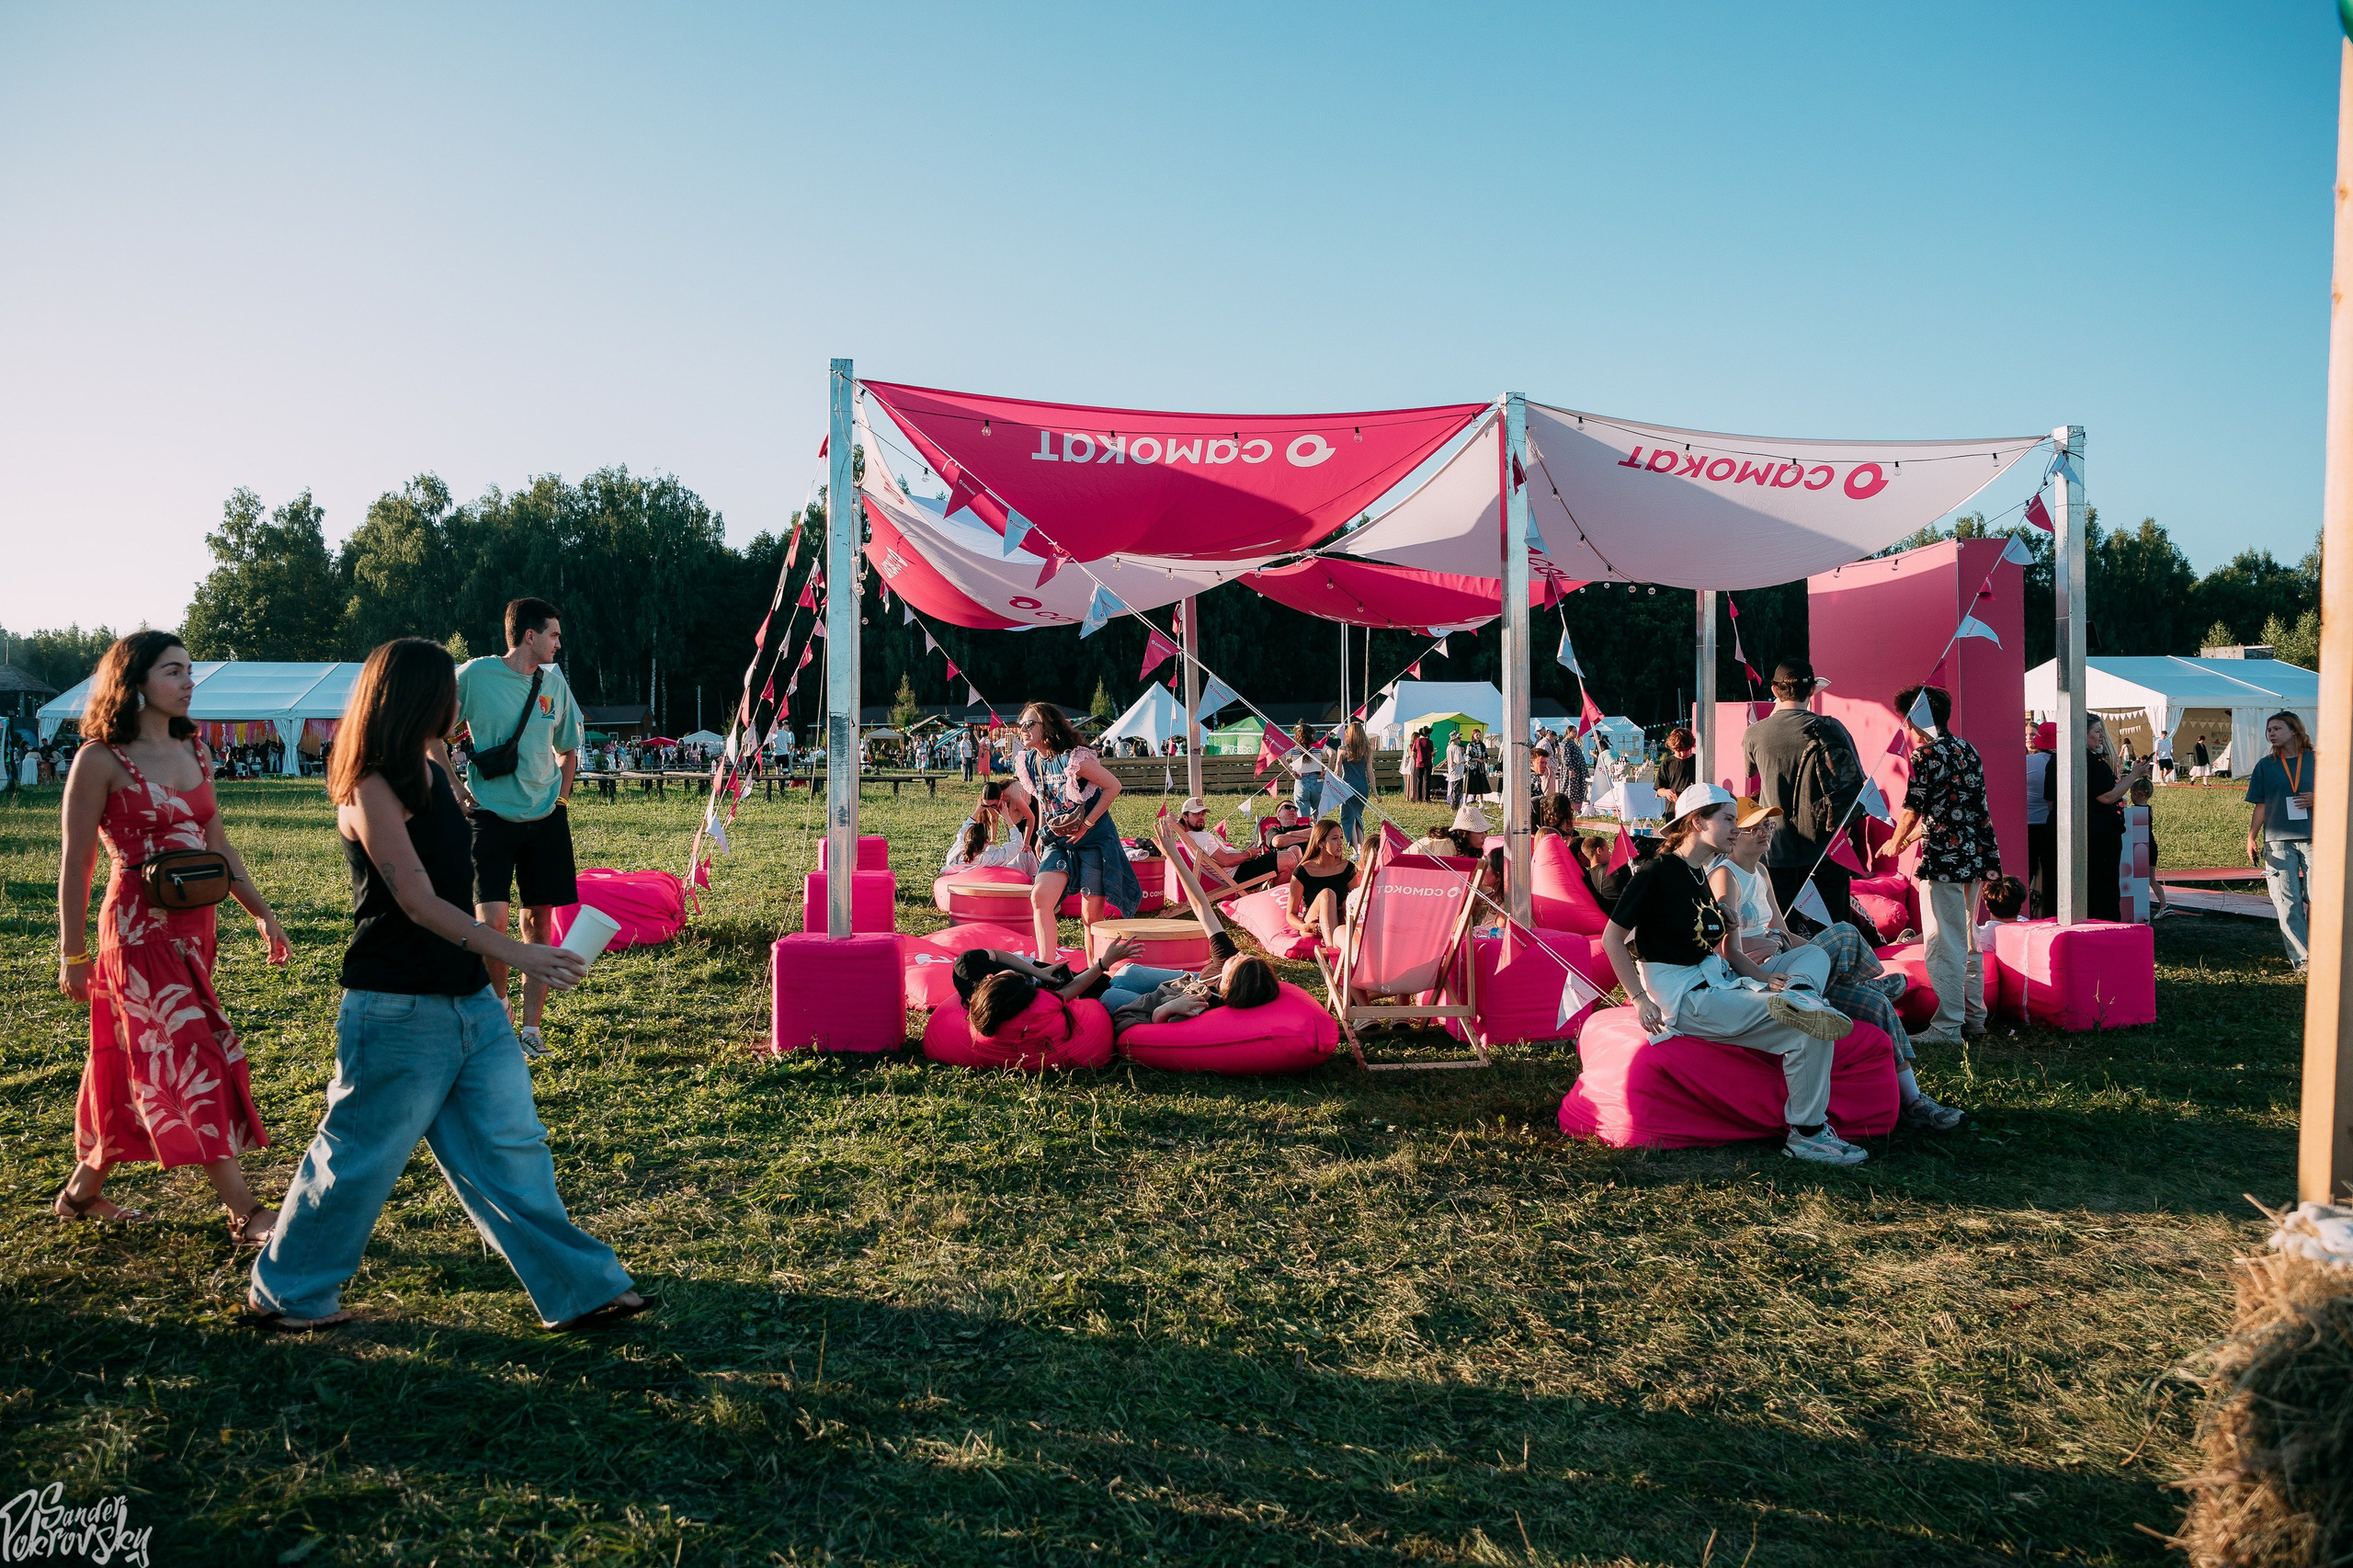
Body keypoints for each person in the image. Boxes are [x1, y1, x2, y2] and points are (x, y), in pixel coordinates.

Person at [250, 638, 641, 1334]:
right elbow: (419, 902)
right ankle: (288, 1296)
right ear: (413, 696)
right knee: (358, 1159)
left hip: (469, 1002)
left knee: (513, 1151)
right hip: (396, 1006)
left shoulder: (437, 773)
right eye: (448, 690)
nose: (460, 702)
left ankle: (582, 1288)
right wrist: (522, 955)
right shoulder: (369, 783)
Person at [53, 631, 293, 1239]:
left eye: (190, 670)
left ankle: (82, 1192)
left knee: (138, 1057)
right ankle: (245, 1210)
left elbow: (215, 844)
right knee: (190, 1053)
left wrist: (260, 911)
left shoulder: (198, 751)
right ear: (135, 683)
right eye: (173, 671)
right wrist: (72, 953)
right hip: (135, 928)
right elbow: (76, 862)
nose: (189, 682)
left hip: (195, 923)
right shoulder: (100, 759)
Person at [1598, 783, 1865, 1165]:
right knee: (1810, 1027)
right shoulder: (1657, 872)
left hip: (1719, 982)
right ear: (1696, 823)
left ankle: (1802, 995)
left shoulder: (1697, 874)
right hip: (1687, 999)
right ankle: (1808, 1136)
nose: (1736, 829)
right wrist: (1640, 999)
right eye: (1727, 820)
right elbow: (1613, 939)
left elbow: (1715, 946)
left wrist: (1728, 928)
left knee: (1814, 962)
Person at [1710, 794, 1963, 1131]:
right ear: (1732, 835)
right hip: (1758, 976)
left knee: (1875, 1005)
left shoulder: (1760, 872)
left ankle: (1914, 1101)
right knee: (1843, 933)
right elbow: (1723, 947)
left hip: (1789, 967)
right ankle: (1871, 980)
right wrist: (1777, 943)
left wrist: (1808, 951)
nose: (1764, 833)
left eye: (1768, 825)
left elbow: (1786, 933)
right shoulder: (1724, 875)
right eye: (1753, 828)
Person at [449, 597, 583, 1061]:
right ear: (530, 635)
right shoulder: (474, 676)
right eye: (553, 634)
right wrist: (456, 789)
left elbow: (569, 750)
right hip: (488, 817)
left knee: (537, 922)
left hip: (545, 819)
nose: (558, 644)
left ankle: (530, 1031)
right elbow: (430, 731)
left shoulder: (554, 684)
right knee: (493, 923)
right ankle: (498, 1017)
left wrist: (562, 799)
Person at [1882, 686, 2001, 1046]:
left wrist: (1895, 839)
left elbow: (1912, 807)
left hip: (1943, 863)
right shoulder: (1968, 750)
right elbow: (1965, 809)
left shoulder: (1925, 756)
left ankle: (1947, 1026)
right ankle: (1974, 1018)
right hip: (1974, 856)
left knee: (1942, 942)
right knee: (1968, 940)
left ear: (1914, 720)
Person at [1098, 819, 1285, 1032]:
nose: (1240, 954)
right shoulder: (1228, 958)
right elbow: (1201, 906)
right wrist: (1172, 855)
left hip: (1180, 997)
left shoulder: (1201, 1007)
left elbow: (1161, 1026)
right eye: (1248, 956)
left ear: (1227, 984)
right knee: (1127, 973)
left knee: (1110, 995)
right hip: (1195, 980)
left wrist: (1168, 1007)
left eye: (1240, 961)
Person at [1743, 658, 1871, 936]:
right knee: (1836, 930)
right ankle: (1836, 978)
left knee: (1780, 933)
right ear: (1813, 690)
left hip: (1775, 847)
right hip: (1827, 848)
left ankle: (1789, 980)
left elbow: (1750, 769)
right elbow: (1856, 782)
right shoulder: (1832, 728)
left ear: (1775, 691)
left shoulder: (1755, 733)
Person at [1010, 702, 1139, 960]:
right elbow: (1044, 798)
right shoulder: (1031, 761)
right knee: (1040, 898)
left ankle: (1095, 972)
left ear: (1047, 727)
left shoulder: (1074, 759)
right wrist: (1041, 832)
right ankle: (1046, 966)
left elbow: (1114, 786)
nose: (1022, 729)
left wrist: (1088, 824)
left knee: (1090, 916)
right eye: (1020, 724)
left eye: (1029, 724)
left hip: (1093, 839)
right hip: (1058, 840)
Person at [2245, 710, 2316, 970]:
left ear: (2294, 731)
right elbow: (2260, 804)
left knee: (2319, 899)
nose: (2271, 734)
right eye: (2269, 730)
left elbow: (2341, 794)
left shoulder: (2316, 760)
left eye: (2277, 729)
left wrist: (2318, 798)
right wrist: (2252, 837)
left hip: (2315, 838)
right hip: (2277, 841)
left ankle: (2326, 955)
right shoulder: (2265, 765)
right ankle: (2304, 961)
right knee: (2287, 902)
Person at [2079, 716, 2145, 924]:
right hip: (2100, 835)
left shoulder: (2086, 760)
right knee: (2104, 885)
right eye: (2097, 732)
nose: (2101, 737)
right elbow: (2107, 796)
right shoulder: (2091, 762)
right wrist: (2133, 775)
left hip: (2096, 832)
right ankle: (2106, 924)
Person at [1171, 796, 1290, 893]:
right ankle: (1275, 900)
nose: (1201, 817)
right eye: (1196, 814)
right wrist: (1248, 854)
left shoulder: (1193, 835)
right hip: (1239, 874)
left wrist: (1243, 854)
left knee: (1292, 855)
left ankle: (1274, 898)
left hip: (1240, 868)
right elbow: (1226, 861)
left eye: (1203, 814)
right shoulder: (1202, 839)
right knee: (1288, 860)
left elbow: (1171, 819)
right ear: (1185, 817)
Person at [1287, 820, 1361, 946]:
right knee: (1327, 894)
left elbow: (1356, 901)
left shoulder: (1347, 868)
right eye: (1334, 838)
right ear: (1321, 843)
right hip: (1315, 922)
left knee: (1349, 900)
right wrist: (1304, 926)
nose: (1340, 842)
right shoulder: (1303, 871)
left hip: (1340, 921)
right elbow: (1290, 914)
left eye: (1341, 837)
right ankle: (1332, 950)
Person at [942, 781, 1037, 874]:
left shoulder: (956, 851)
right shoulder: (988, 859)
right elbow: (1017, 844)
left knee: (1026, 849)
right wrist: (1007, 817)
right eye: (987, 806)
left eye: (993, 806)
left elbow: (962, 831)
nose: (991, 808)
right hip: (1011, 818)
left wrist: (977, 811)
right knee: (1025, 854)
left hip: (1028, 814)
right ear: (986, 842)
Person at [2025, 722, 2057, 918]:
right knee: (2051, 875)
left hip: (2028, 825)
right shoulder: (2064, 763)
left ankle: (2024, 913)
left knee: (2027, 873)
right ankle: (2049, 914)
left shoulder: (2028, 762)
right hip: (2050, 824)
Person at [1329, 719, 1374, 846]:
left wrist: (1333, 786)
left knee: (1349, 820)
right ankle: (1361, 848)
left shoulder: (1342, 749)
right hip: (1362, 787)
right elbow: (1370, 772)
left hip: (1347, 786)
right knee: (1358, 818)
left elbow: (1337, 770)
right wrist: (1376, 793)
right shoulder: (1366, 750)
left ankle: (1355, 850)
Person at [1289, 722, 1324, 818]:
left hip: (1301, 781)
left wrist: (1291, 771)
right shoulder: (1318, 747)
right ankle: (1317, 831)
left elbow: (1280, 756)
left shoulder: (1294, 749)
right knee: (1318, 815)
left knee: (1303, 818)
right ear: (1312, 735)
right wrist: (1326, 770)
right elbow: (1332, 753)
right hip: (1317, 781)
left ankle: (1305, 831)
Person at [1656, 727, 1698, 799]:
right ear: (1673, 748)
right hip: (1673, 807)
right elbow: (1659, 789)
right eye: (1679, 751)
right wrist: (1666, 792)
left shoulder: (1698, 761)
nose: (1682, 754)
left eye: (1686, 750)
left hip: (1694, 805)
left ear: (1691, 746)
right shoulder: (1667, 763)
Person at [1407, 727, 1434, 803]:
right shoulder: (1430, 742)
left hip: (1419, 763)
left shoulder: (1417, 741)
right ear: (1428, 734)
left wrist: (1416, 760)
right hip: (1428, 763)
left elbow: (1413, 753)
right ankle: (1427, 798)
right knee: (1427, 781)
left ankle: (1419, 798)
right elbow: (1432, 753)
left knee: (1419, 781)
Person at [1442, 730, 1468, 808]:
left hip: (1451, 770)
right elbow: (1458, 760)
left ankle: (1453, 805)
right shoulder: (1456, 748)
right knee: (1457, 790)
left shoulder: (1448, 747)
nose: (1460, 739)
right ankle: (1455, 806)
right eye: (1459, 738)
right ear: (1455, 738)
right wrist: (1464, 760)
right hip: (1458, 771)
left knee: (1453, 789)